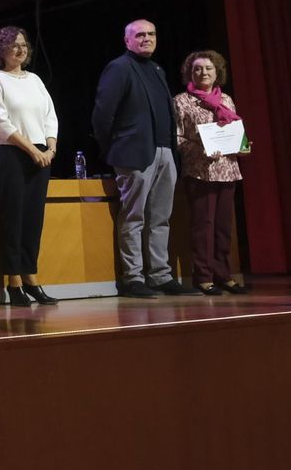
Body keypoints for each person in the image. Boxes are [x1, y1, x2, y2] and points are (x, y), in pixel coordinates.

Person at [92, 19, 196, 297]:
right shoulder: (119, 68)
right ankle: (133, 278)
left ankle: (160, 275)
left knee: (161, 218)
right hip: (134, 154)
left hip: (164, 151)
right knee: (134, 217)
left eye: (151, 34)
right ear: (127, 40)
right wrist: (114, 149)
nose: (146, 38)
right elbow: (103, 114)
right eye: (139, 35)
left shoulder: (157, 69)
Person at [0, 26, 60, 306]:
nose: (20, 49)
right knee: (12, 218)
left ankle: (31, 278)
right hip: (12, 153)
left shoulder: (35, 80)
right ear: (0, 49)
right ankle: (13, 282)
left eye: (24, 45)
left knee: (32, 219)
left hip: (41, 155)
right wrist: (31, 150)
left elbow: (50, 117)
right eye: (13, 45)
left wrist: (49, 148)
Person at [173, 50, 253, 295]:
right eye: (197, 69)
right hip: (200, 171)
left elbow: (235, 132)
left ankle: (223, 274)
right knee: (203, 226)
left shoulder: (226, 100)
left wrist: (243, 145)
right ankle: (203, 276)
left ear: (217, 72)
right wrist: (202, 151)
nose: (203, 72)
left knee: (222, 227)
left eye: (208, 68)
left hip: (227, 170)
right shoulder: (182, 101)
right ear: (190, 73)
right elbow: (177, 138)